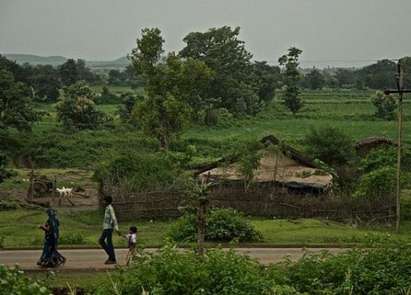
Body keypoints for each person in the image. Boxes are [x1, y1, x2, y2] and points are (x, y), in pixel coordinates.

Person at [99, 195, 120, 264]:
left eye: (104, 201)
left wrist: (116, 229)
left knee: (108, 242)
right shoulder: (107, 208)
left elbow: (114, 218)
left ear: (107, 201)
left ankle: (112, 258)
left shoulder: (110, 208)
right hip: (106, 227)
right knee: (101, 241)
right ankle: (111, 257)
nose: (103, 202)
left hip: (109, 228)